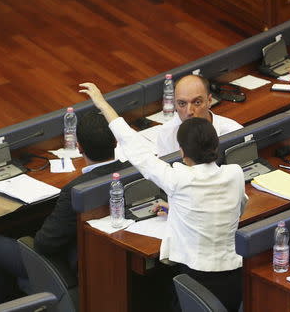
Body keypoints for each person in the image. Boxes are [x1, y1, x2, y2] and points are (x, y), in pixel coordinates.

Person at [79, 82, 248, 312]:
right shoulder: (235, 173)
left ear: (181, 152)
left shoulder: (177, 179)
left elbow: (135, 147)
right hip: (235, 279)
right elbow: (238, 209)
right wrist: (181, 209)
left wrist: (102, 104)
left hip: (196, 282)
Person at [0, 110, 128, 308]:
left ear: (79, 147)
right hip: (105, 262)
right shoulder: (131, 171)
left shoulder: (74, 190)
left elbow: (44, 244)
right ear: (115, 142)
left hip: (67, 265)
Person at [156, 74, 243, 157]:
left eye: (197, 102)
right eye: (182, 103)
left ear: (209, 101)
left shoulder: (234, 132)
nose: (189, 111)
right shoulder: (166, 134)